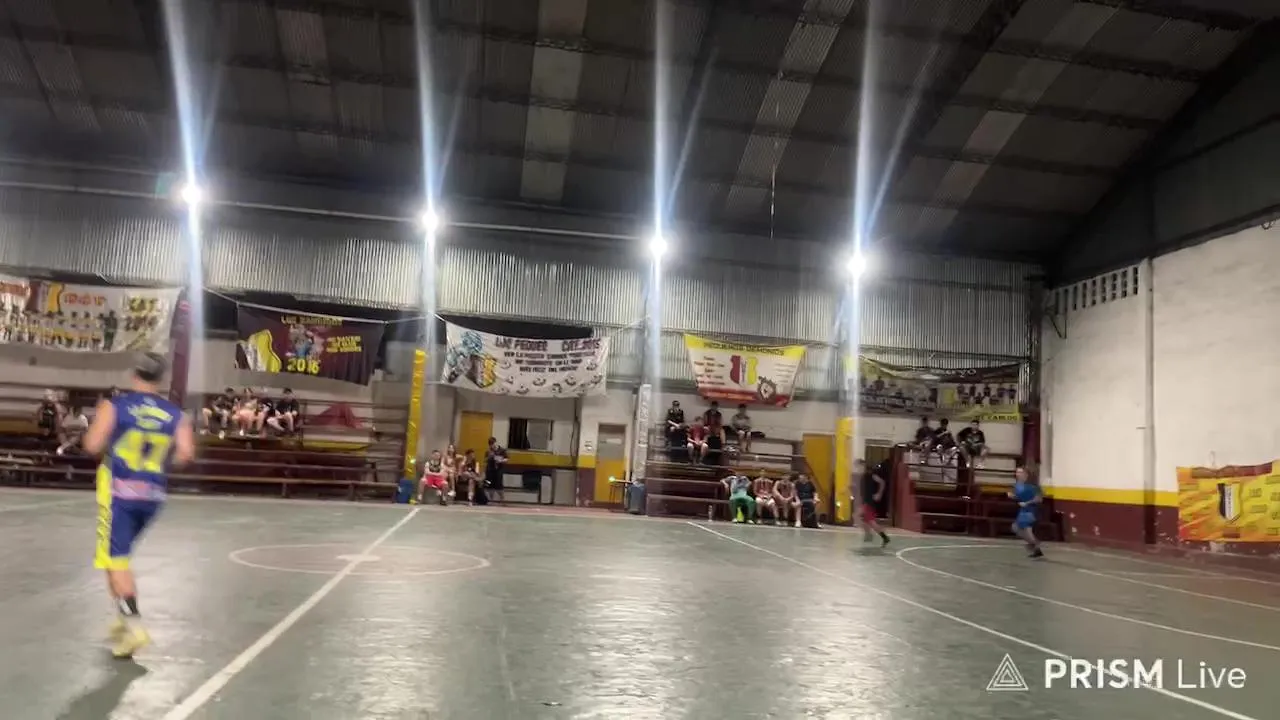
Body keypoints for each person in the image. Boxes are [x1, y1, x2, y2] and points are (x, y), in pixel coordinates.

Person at [82, 353, 195, 658]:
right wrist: (157, 464)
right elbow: (185, 454)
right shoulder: (176, 414)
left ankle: (134, 627)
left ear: (135, 374)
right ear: (161, 378)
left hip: (118, 492)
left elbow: (92, 445)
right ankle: (122, 619)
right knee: (113, 557)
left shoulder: (115, 406)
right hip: (153, 495)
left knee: (115, 560)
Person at [1008, 466, 1044, 558]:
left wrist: (1027, 503)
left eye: (1020, 472)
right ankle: (1035, 546)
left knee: (1024, 529)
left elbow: (1039, 499)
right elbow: (1018, 496)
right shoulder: (1017, 485)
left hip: (1031, 510)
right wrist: (1012, 496)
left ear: (1026, 474)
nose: (1018, 474)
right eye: (1017, 472)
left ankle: (1035, 545)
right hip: (1023, 509)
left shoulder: (1032, 486)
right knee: (1016, 528)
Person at [855, 459, 890, 547]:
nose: (858, 468)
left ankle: (870, 535)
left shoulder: (870, 475)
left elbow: (882, 482)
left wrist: (879, 494)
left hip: (869, 502)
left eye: (859, 466)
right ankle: (883, 537)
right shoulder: (863, 477)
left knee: (858, 516)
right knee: (869, 521)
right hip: (866, 501)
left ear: (863, 466)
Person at [484, 437, 507, 503]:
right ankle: (491, 499)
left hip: (499, 469)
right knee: (489, 484)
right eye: (491, 444)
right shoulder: (488, 451)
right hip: (490, 470)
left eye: (493, 444)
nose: (492, 446)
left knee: (499, 484)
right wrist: (489, 457)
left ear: (496, 443)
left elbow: (507, 459)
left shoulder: (502, 450)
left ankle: (502, 499)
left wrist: (501, 460)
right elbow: (485, 460)